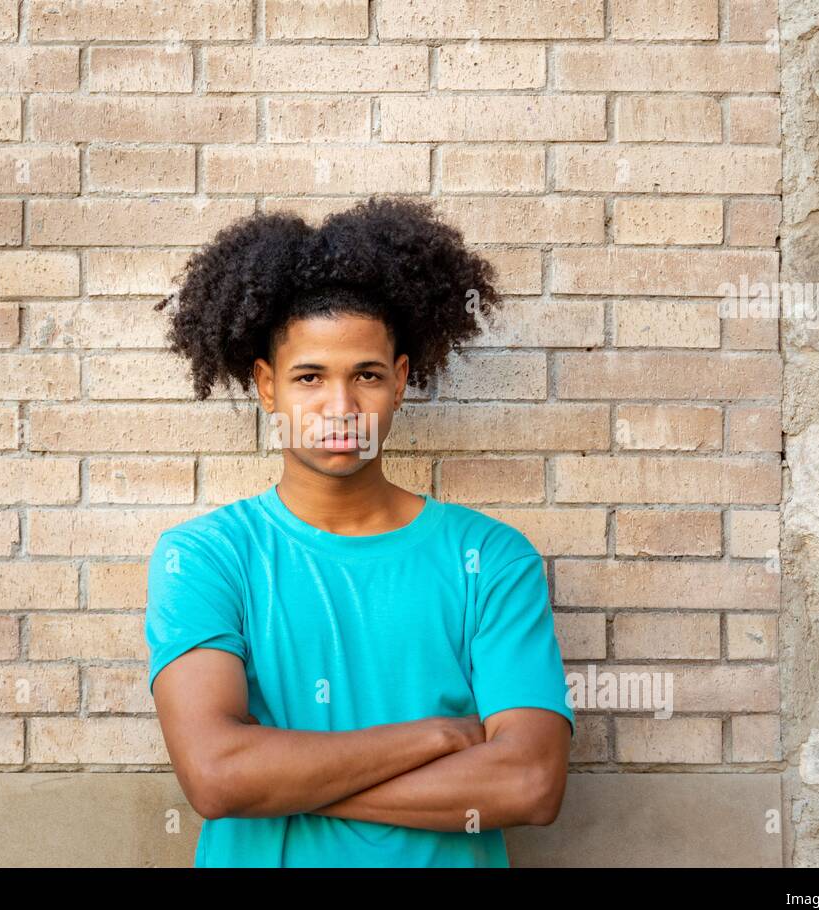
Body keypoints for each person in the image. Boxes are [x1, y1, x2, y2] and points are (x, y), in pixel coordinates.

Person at [144, 196, 574, 867]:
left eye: (366, 375)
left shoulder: (490, 559)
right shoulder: (206, 558)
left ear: (401, 381)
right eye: (309, 376)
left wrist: (283, 780)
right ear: (266, 386)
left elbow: (529, 782)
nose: (340, 408)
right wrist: (433, 737)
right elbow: (217, 774)